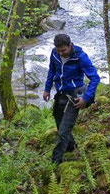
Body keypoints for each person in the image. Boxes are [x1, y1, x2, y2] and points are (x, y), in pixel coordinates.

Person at [43, 34, 100, 164]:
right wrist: (47, 89)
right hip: (61, 93)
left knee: (63, 130)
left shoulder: (80, 57)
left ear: (70, 45)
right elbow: (51, 71)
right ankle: (71, 146)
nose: (61, 53)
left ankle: (55, 163)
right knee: (58, 121)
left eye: (63, 50)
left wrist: (86, 98)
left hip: (75, 96)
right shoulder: (55, 53)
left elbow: (95, 78)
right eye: (58, 50)